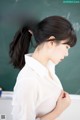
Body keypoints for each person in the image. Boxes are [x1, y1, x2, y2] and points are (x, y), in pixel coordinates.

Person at [9, 15, 77, 120]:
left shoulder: (48, 66)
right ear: (51, 43)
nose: (67, 53)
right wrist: (58, 110)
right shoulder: (29, 81)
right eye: (66, 47)